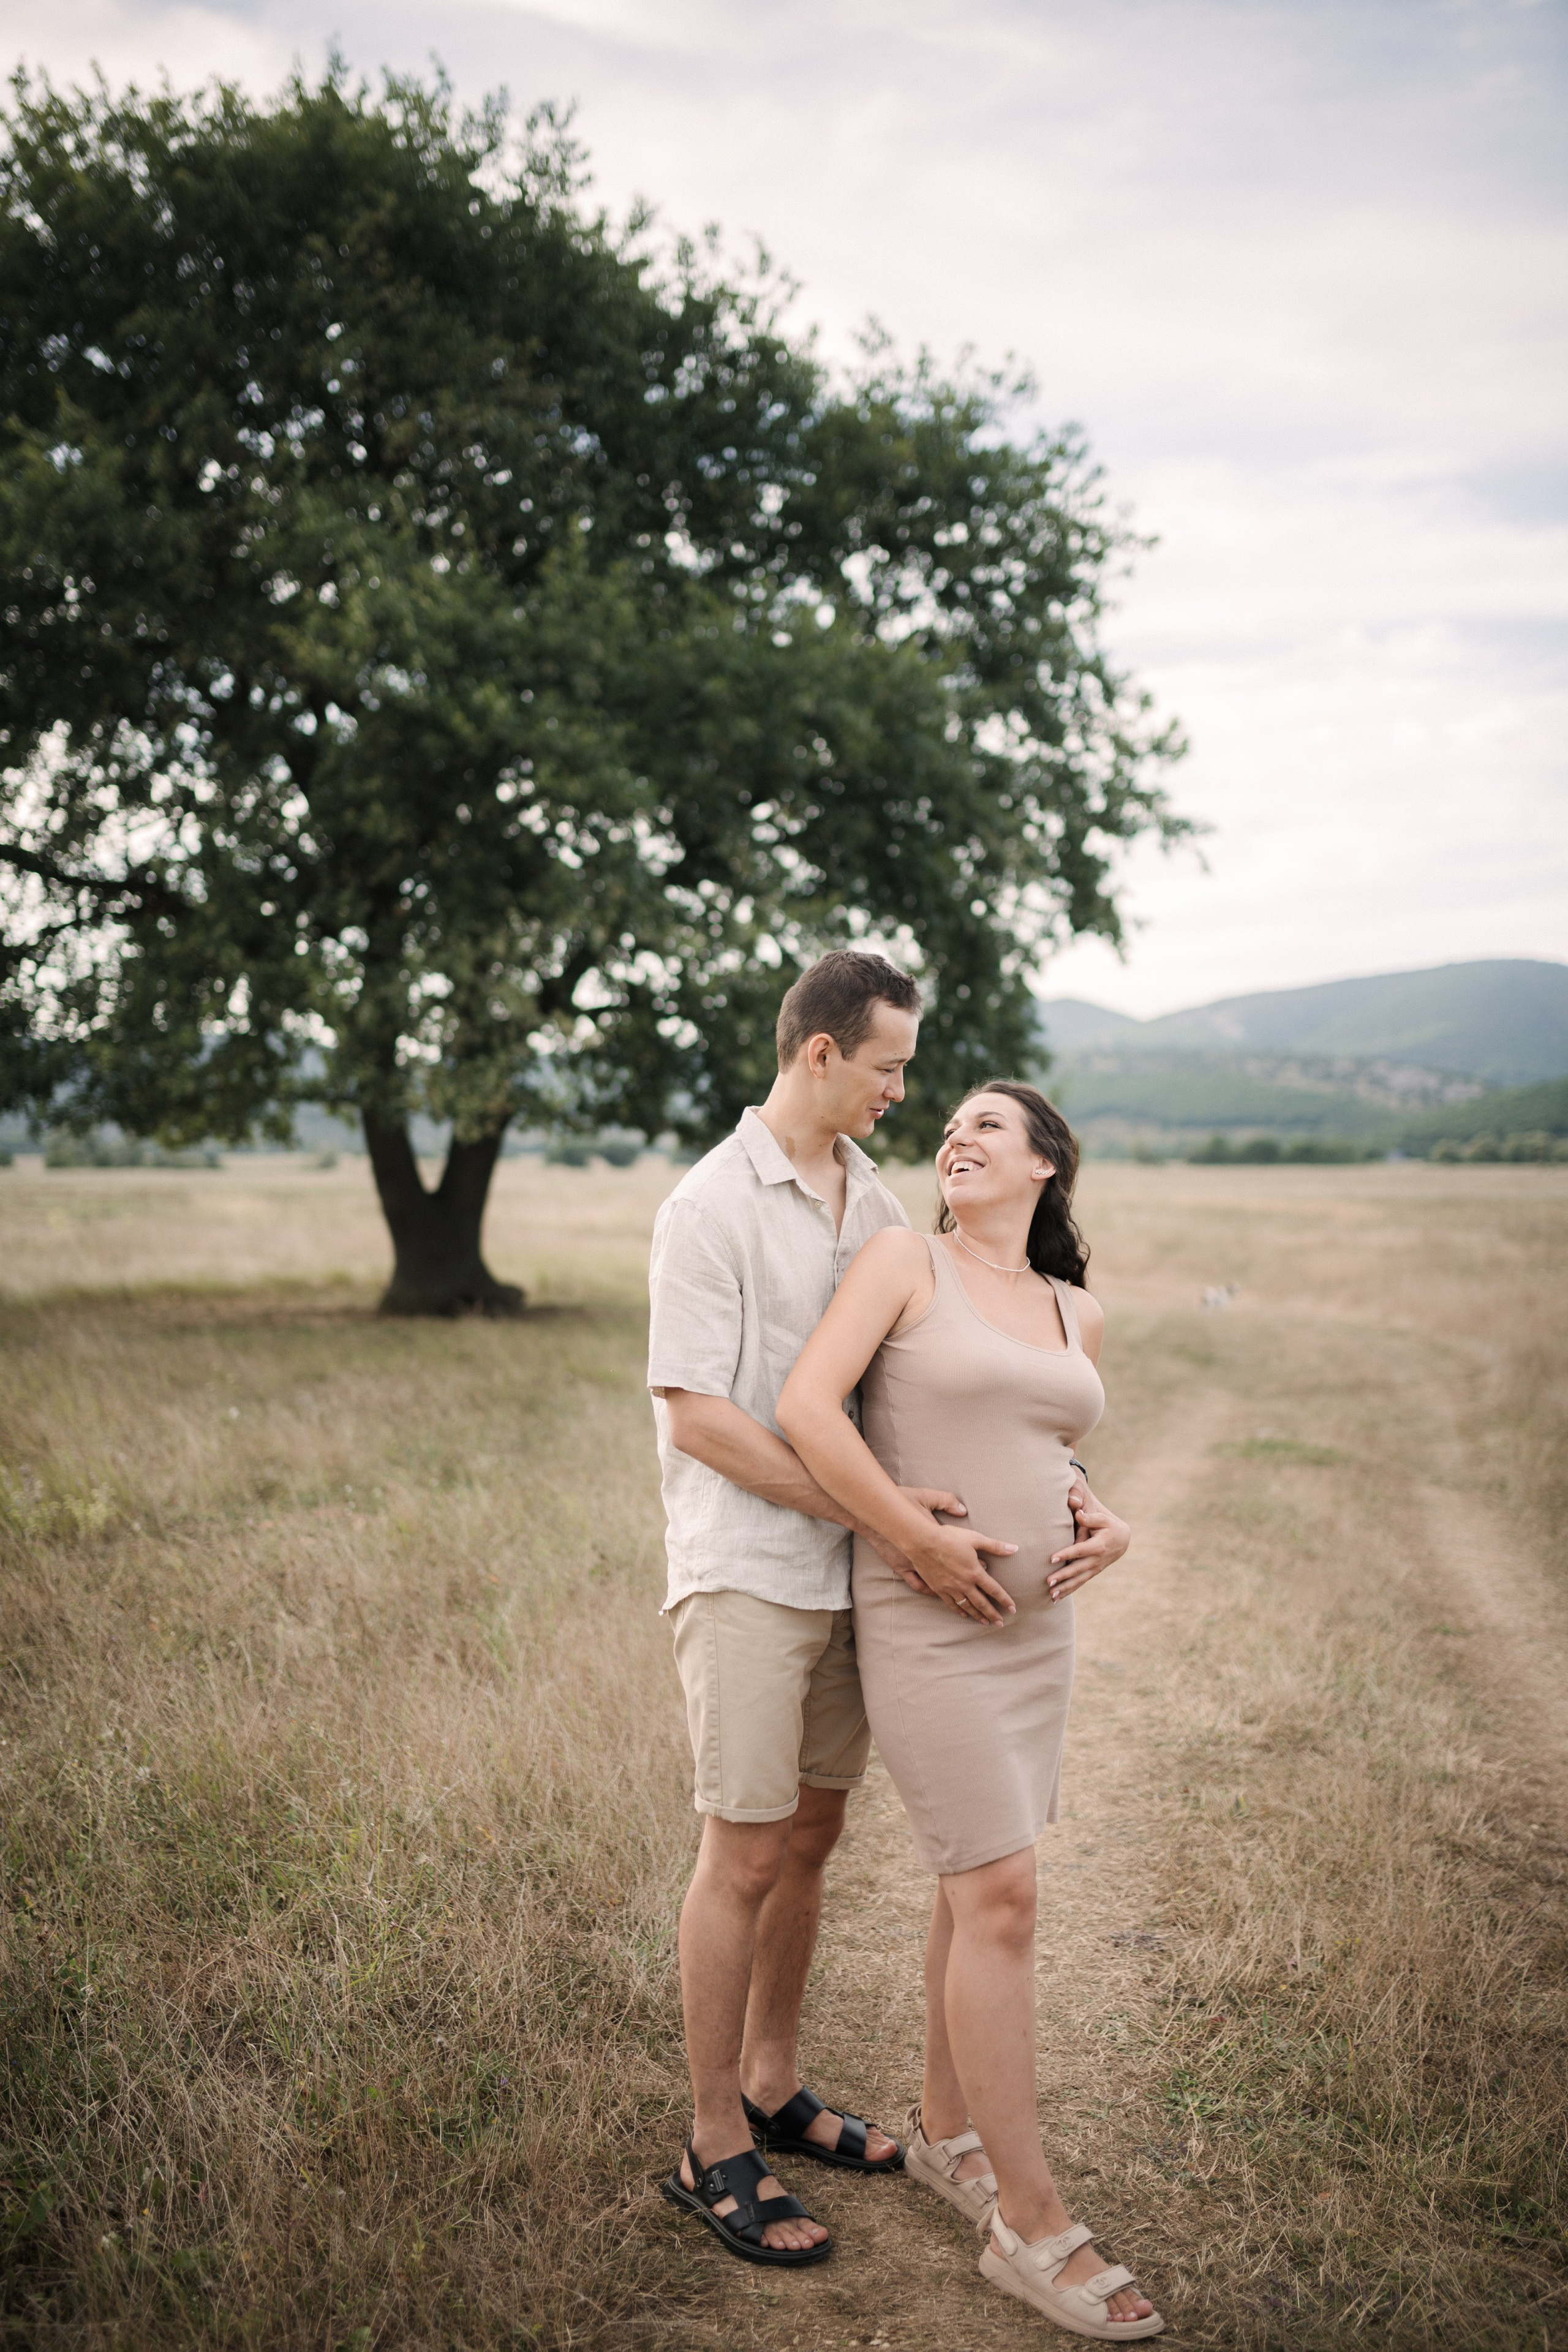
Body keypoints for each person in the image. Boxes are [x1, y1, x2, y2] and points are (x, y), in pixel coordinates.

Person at [649, 951, 1021, 2267]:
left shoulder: (872, 1203)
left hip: (850, 1583)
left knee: (808, 1839)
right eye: (887, 1067)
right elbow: (699, 1420)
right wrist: (878, 1519)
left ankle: (768, 2082)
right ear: (819, 1053)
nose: (899, 1092)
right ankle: (710, 2142)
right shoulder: (707, 1205)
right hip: (748, 1574)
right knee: (739, 1854)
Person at [777, 1079, 1164, 2338]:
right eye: (947, 1121)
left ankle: (950, 2139)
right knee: (1000, 1894)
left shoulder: (1073, 1310)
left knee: (971, 1889)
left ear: (1047, 1163)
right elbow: (803, 1412)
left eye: (988, 1124)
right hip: (928, 1620)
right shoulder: (902, 1260)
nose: (956, 1134)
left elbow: (1051, 1444)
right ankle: (1031, 2224)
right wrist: (909, 1536)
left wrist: (1098, 1514)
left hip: (1036, 1636)